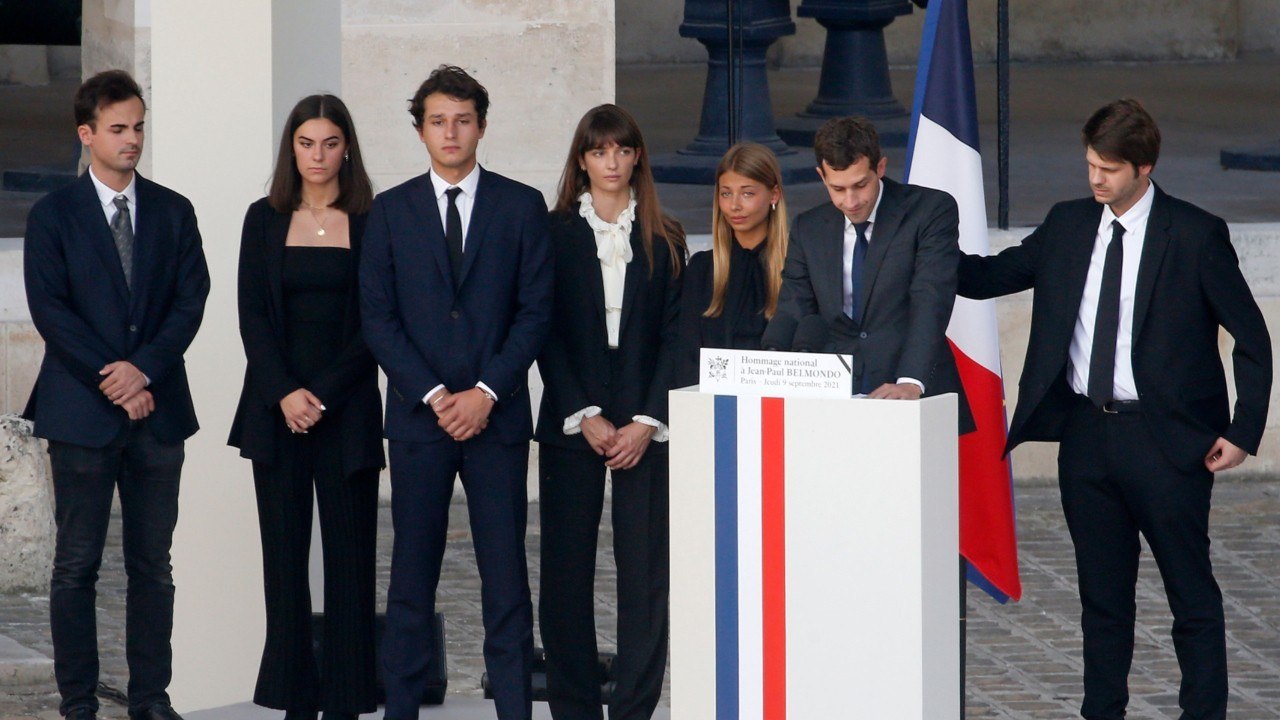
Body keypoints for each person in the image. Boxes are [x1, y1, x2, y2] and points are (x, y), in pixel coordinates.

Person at [958, 99, 1271, 720]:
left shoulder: (1195, 233)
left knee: (1191, 594)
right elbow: (986, 277)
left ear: (1144, 167)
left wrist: (1243, 430)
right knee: (1102, 599)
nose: (1095, 179)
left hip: (1167, 443)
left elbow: (1253, 338)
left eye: (1108, 169)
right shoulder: (1070, 224)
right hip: (1086, 439)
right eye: (1090, 165)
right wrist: (917, 232)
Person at [359, 65, 553, 720]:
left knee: (506, 585)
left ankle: (516, 712)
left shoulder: (521, 206)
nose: (451, 132)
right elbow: (377, 319)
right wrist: (440, 394)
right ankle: (403, 711)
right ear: (420, 130)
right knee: (411, 583)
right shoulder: (388, 212)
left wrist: (487, 392)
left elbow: (534, 312)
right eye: (438, 120)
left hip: (496, 423)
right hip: (420, 423)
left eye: (463, 119)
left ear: (482, 126)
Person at [22, 69, 210, 720]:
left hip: (158, 415)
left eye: (139, 127)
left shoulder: (174, 210)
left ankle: (150, 700)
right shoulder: (53, 216)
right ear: (87, 134)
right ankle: (78, 703)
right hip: (79, 413)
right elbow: (51, 311)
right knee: (76, 565)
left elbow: (191, 302)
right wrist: (114, 375)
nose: (132, 140)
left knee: (153, 566)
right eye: (119, 129)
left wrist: (144, 372)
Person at [227, 94, 383, 720]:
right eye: (306, 143)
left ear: (348, 148)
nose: (318, 156)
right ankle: (294, 699)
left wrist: (324, 394)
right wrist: (287, 392)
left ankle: (347, 699)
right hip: (277, 413)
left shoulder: (374, 218)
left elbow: (378, 320)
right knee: (284, 564)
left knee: (350, 564)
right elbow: (252, 317)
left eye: (330, 143)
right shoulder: (262, 218)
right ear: (292, 148)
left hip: (345, 413)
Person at [536, 104, 685, 720]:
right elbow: (540, 329)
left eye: (623, 150)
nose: (612, 163)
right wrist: (583, 412)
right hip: (575, 412)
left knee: (645, 573)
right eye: (600, 152)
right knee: (566, 569)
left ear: (637, 157)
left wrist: (647, 421)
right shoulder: (551, 234)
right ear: (582, 160)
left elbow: (677, 338)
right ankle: (573, 705)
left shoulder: (664, 235)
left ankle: (634, 708)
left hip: (644, 415)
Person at [778, 116, 972, 430]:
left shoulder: (929, 210)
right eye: (837, 188)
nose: (850, 201)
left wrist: (911, 381)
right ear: (821, 176)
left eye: (860, 185)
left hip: (911, 395)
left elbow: (931, 297)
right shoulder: (808, 227)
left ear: (880, 168)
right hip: (830, 405)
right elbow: (795, 307)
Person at [677, 142, 787, 385]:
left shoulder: (796, 269)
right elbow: (686, 356)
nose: (735, 205)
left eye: (748, 193)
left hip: (781, 411)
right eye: (726, 193)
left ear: (774, 194)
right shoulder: (702, 269)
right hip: (714, 411)